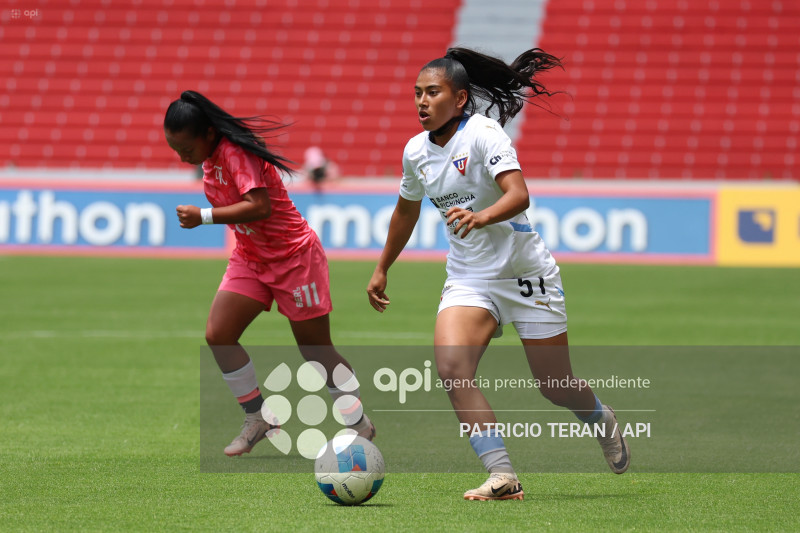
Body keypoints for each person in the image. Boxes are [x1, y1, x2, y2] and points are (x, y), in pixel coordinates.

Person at [366, 48, 629, 500]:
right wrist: (382, 266)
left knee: (555, 385)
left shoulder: (485, 134)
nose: (422, 102)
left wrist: (482, 216)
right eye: (417, 94)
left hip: (525, 273)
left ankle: (601, 419)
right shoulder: (415, 151)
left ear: (461, 98)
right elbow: (405, 211)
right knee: (452, 368)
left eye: (433, 92)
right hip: (470, 276)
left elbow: (519, 194)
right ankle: (502, 476)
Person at [164, 90, 375, 457]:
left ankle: (358, 423)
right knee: (219, 334)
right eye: (175, 149)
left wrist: (205, 217)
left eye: (185, 148)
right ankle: (259, 417)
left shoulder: (233, 152)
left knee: (316, 351)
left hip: (294, 258)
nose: (182, 157)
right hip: (251, 258)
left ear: (209, 134)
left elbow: (259, 206)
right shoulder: (212, 158)